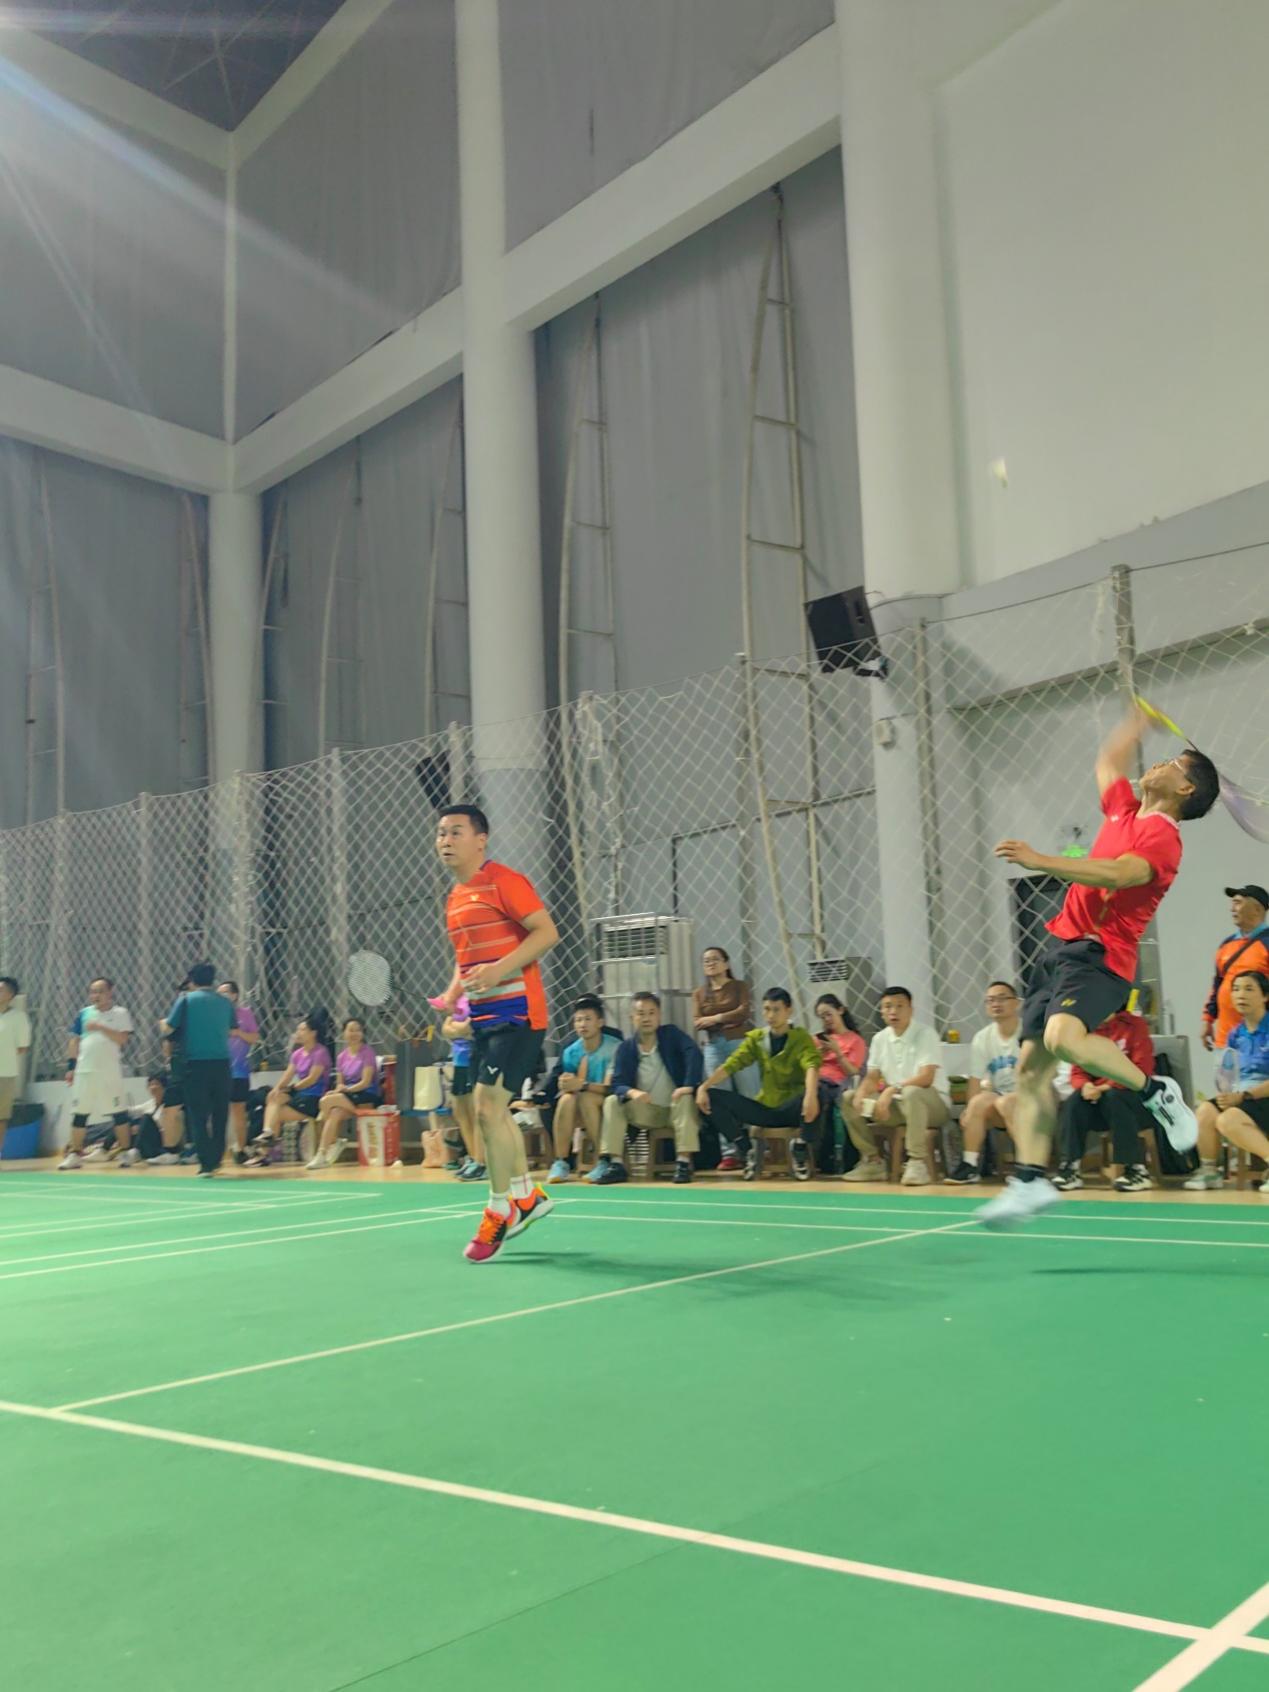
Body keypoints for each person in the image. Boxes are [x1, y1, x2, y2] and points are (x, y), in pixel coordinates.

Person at [978, 709, 1218, 1227]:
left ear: (1186, 789)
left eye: (1175, 763)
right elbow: (1108, 761)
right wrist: (1136, 722)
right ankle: (1030, 1183)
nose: (1160, 763)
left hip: (1102, 958)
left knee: (1062, 1039)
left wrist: (1042, 860)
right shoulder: (1123, 811)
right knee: (1030, 1070)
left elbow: (1117, 872)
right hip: (1060, 952)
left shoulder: (1164, 839)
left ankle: (1156, 1091)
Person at [435, 804, 559, 1262]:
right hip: (484, 1018)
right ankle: (527, 1197)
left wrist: (499, 970)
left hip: (519, 1013)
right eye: (441, 833)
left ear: (480, 839)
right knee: (494, 1111)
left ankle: (498, 1210)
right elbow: (466, 960)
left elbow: (546, 933)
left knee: (488, 1107)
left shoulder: (504, 881)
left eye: (456, 832)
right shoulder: (455, 898)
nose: (446, 841)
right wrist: (453, 999)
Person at [697, 988, 820, 1181]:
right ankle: (746, 1149)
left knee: (819, 1092)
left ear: (789, 1010)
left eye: (776, 1010)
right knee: (711, 1097)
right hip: (765, 1108)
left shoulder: (801, 1038)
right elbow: (732, 1064)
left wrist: (810, 1095)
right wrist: (704, 1087)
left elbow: (811, 1066)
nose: (770, 1015)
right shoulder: (757, 1039)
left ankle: (800, 1148)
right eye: (766, 1009)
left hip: (793, 1109)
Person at [840, 987, 949, 1186]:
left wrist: (892, 1089)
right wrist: (862, 1093)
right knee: (849, 1097)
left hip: (933, 1106)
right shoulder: (879, 1039)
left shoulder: (925, 1034)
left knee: (912, 1092)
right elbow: (873, 1077)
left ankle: (917, 1162)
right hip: (898, 1106)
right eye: (888, 1006)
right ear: (881, 1012)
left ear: (911, 1010)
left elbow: (926, 1078)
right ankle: (872, 1160)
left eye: (900, 1006)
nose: (893, 1011)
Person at [600, 991, 703, 1184]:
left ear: (659, 1016)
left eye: (651, 1013)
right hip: (647, 1111)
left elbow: (693, 1052)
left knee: (685, 1098)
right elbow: (617, 1084)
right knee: (612, 1101)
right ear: (632, 1018)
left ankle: (683, 1164)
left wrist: (688, 1086)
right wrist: (633, 1092)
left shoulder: (671, 1035)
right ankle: (616, 1164)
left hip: (675, 1109)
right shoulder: (626, 1048)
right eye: (641, 1013)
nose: (646, 1018)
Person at [1052, 1010, 1157, 1192]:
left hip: (1135, 1101)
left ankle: (1136, 1170)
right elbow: (1078, 1070)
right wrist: (1085, 1086)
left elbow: (1142, 1070)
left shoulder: (1134, 1025)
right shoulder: (1086, 1030)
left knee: (1115, 1096)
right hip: (1101, 1102)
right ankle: (1069, 1167)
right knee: (1075, 1101)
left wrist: (1105, 1086)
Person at [1185, 969, 1269, 1193]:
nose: (1241, 995)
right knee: (1205, 1111)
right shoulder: (1236, 1034)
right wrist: (1226, 1094)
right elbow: (1228, 1073)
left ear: (1265, 996)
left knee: (1228, 1120)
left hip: (1263, 1095)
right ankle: (1209, 1171)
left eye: (1249, 989)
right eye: (1236, 989)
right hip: (1243, 1095)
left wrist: (1243, 1096)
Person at [945, 982, 1023, 1184]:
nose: (996, 1004)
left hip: (1032, 1096)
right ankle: (970, 1165)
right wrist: (969, 1109)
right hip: (1002, 1099)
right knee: (978, 1102)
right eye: (990, 1000)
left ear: (1016, 1003)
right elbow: (975, 1079)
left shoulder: (1029, 1031)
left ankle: (1028, 1166)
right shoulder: (983, 1038)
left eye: (1002, 998)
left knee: (1006, 1102)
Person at [164, 962, 235, 1177]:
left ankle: (206, 1163)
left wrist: (162, 1024)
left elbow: (169, 1028)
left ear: (192, 979)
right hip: (222, 1063)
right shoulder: (225, 1002)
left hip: (195, 1064)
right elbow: (231, 1028)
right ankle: (217, 1157)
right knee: (220, 1113)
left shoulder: (186, 1000)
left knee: (198, 1116)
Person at [58, 977, 135, 1171]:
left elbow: (122, 1039)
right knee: (79, 1113)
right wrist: (71, 1067)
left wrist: (100, 1027)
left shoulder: (120, 1013)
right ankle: (75, 1154)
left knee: (118, 1113)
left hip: (109, 1071)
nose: (96, 995)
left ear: (110, 992)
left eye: (100, 991)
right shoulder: (84, 1013)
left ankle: (126, 1152)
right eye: (93, 991)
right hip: (84, 1071)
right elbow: (75, 1041)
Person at [692, 946, 756, 1169]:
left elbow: (743, 1012)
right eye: (706, 960)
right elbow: (697, 1021)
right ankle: (730, 1152)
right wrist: (726, 1018)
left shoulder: (739, 986)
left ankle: (759, 1146)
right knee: (719, 1097)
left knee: (749, 1093)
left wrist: (715, 1018)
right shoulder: (699, 993)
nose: (710, 963)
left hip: (739, 1043)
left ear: (726, 963)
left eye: (715, 959)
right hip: (712, 1047)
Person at [546, 995, 622, 1183]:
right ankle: (561, 1162)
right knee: (566, 1099)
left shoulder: (615, 1047)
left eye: (588, 1019)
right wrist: (565, 1084)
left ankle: (603, 1160)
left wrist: (582, 1085)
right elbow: (570, 1085)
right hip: (581, 1102)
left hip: (609, 1101)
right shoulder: (571, 1051)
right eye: (578, 1020)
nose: (582, 1024)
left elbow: (612, 1088)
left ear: (600, 1022)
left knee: (587, 1097)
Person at [249, 1012, 333, 1165]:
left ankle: (263, 1153)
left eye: (302, 1030)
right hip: (299, 1094)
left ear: (313, 1033)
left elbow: (312, 1078)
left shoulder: (320, 1052)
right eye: (298, 1030)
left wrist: (293, 1088)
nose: (298, 1033)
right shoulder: (297, 1054)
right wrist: (277, 1088)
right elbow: (288, 1074)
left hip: (314, 1098)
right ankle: (267, 1133)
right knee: (273, 1098)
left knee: (276, 1114)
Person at [307, 1017, 382, 1169]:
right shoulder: (341, 1057)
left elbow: (366, 1082)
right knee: (334, 1112)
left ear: (362, 1033)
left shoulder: (367, 1052)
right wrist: (337, 1090)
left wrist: (346, 1090)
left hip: (366, 1094)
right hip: (348, 1096)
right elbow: (340, 1083)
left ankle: (334, 1142)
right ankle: (322, 1154)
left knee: (324, 1102)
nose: (354, 1033)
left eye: (358, 1030)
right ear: (344, 1033)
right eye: (350, 1030)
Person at [1200, 884, 1269, 1051]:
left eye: (1238, 903)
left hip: (1261, 1042)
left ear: (1257, 909)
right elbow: (1217, 985)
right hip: (1226, 1040)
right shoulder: (1226, 945)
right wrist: (1207, 1020)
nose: (1232, 909)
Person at [812, 993, 867, 1174]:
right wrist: (819, 1054)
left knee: (828, 1098)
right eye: (822, 1017)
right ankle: (819, 1157)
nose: (826, 1020)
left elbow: (853, 1071)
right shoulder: (818, 1040)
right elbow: (808, 1066)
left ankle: (840, 1158)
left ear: (840, 1010)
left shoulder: (855, 1040)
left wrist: (837, 1053)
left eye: (829, 1014)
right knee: (816, 1094)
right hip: (817, 1082)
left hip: (840, 1084)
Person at [219, 981, 260, 1161]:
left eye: (225, 992)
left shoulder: (245, 1014)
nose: (222, 995)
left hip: (239, 1071)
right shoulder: (214, 1015)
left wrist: (237, 1033)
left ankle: (241, 1149)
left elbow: (254, 1037)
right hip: (218, 1070)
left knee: (238, 1110)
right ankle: (217, 1150)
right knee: (217, 1111)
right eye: (219, 992)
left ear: (234, 995)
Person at [0, 976, 31, 1153]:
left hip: (5, 1073)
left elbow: (22, 1047)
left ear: (11, 995)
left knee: (1, 1116)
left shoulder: (19, 1017)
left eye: (1, 989)